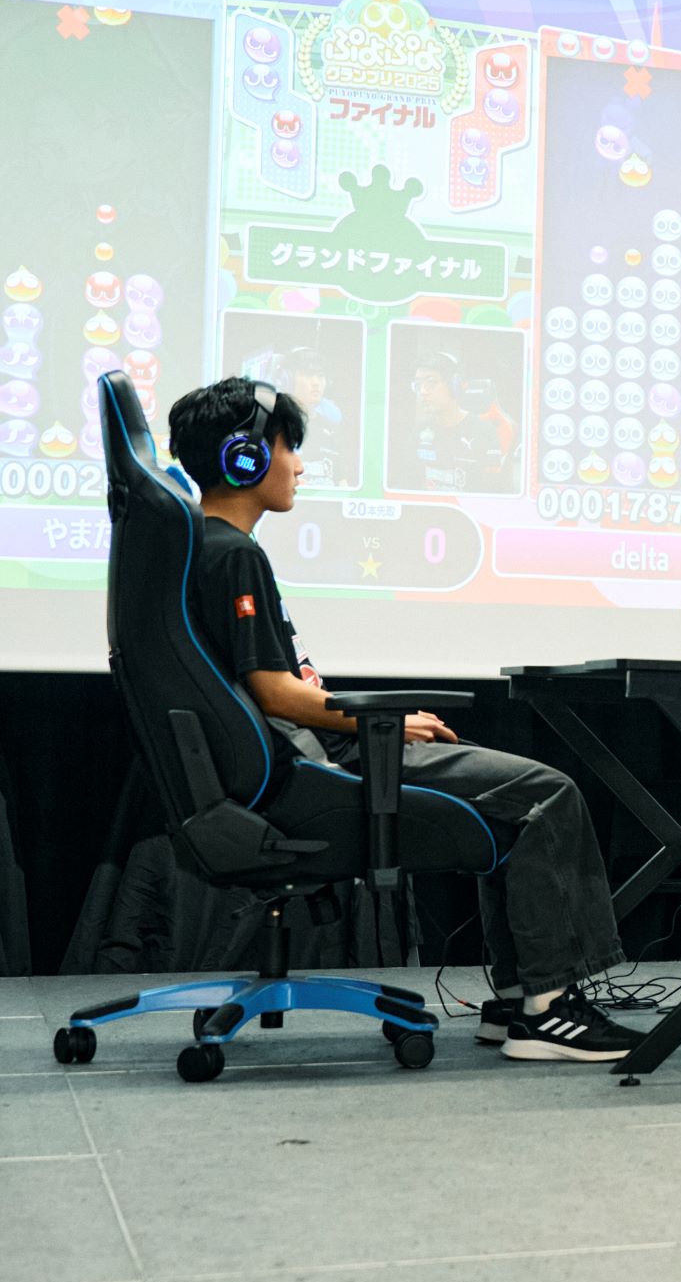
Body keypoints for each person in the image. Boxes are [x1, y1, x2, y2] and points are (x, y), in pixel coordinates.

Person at [167, 377, 643, 1062]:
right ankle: (547, 1012)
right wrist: (378, 724)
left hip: (286, 767)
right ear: (245, 459)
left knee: (515, 805)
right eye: (287, 448)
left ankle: (524, 1000)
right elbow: (274, 692)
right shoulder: (234, 553)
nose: (299, 465)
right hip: (317, 769)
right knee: (547, 795)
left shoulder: (196, 547)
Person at [407, 351, 509, 492]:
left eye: (431, 382)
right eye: (418, 384)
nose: (423, 391)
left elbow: (493, 491)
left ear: (454, 385)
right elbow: (410, 484)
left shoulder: (484, 431)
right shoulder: (419, 431)